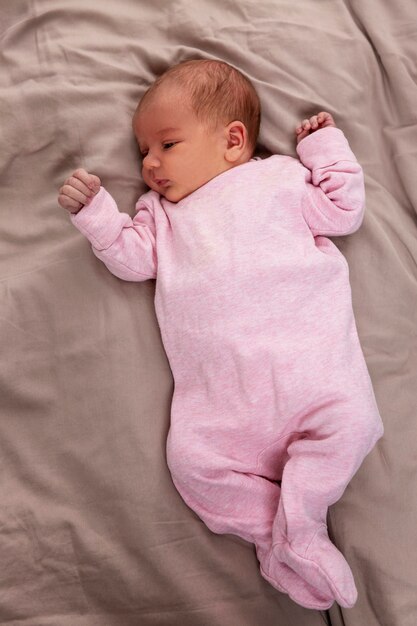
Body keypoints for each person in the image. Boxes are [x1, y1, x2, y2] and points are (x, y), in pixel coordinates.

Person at [58, 59, 384, 610]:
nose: (150, 164)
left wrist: (323, 148)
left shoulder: (281, 178)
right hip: (221, 407)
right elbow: (132, 260)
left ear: (233, 140)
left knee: (353, 425)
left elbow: (343, 208)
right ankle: (279, 539)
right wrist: (97, 215)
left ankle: (300, 522)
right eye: (143, 152)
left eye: (167, 144)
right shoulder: (161, 214)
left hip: (312, 378)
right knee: (192, 467)